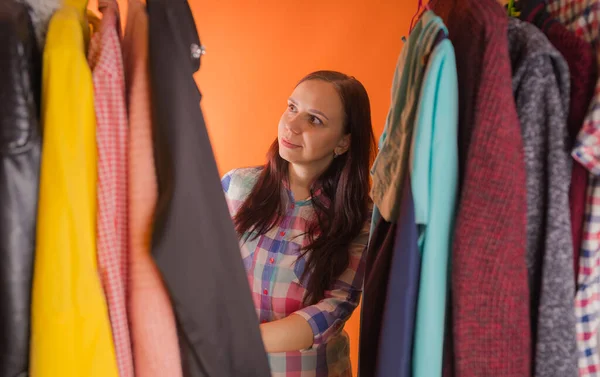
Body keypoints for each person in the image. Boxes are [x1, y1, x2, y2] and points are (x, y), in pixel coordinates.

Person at [221, 70, 375, 376]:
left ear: (343, 142)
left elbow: (333, 309)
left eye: (314, 119)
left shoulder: (362, 220)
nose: (291, 125)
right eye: (292, 108)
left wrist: (239, 339)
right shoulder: (236, 188)